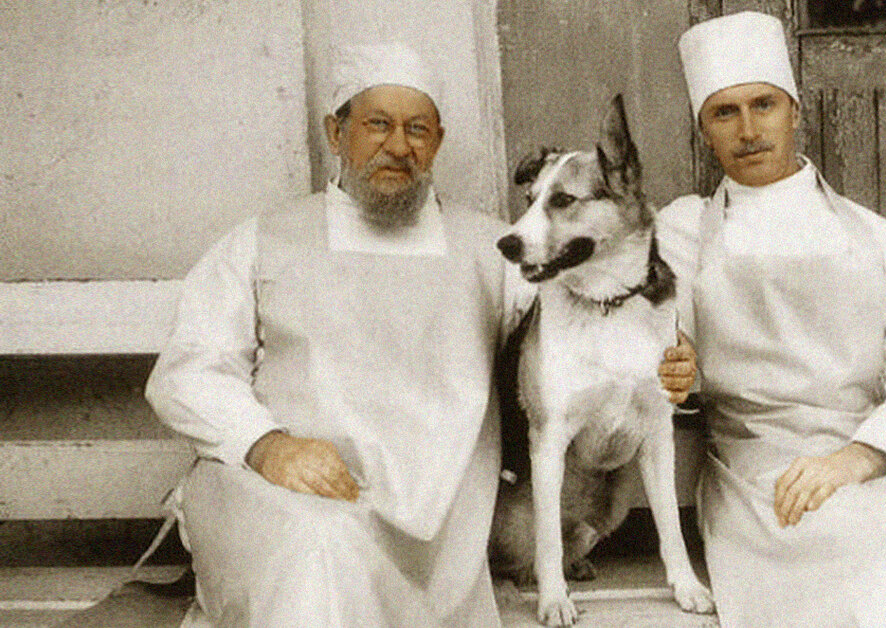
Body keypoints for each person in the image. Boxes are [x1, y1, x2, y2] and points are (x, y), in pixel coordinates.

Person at [145, 41, 697, 626]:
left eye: (417, 129)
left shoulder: (493, 252)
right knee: (318, 553)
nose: (398, 145)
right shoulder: (261, 243)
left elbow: (596, 313)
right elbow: (188, 372)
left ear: (436, 143)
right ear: (336, 133)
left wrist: (673, 354)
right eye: (377, 124)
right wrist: (266, 445)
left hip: (443, 525)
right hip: (287, 497)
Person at [655, 11, 886, 627]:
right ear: (705, 130)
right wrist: (676, 367)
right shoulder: (684, 229)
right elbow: (666, 347)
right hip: (758, 480)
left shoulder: (872, 236)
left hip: (867, 462)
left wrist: (851, 462)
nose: (748, 130)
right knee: (880, 545)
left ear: (795, 111)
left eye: (764, 105)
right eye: (725, 113)